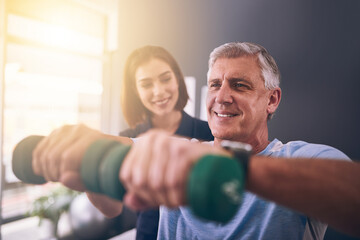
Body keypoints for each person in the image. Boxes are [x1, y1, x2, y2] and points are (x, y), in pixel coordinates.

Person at [31, 42, 360, 239]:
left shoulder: (303, 158)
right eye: (215, 84)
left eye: (239, 85)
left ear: (271, 100)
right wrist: (86, 158)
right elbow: (112, 196)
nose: (222, 97)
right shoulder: (178, 150)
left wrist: (229, 169)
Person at [118, 45, 213, 239]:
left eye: (165, 79)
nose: (159, 91)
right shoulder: (127, 140)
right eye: (146, 84)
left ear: (177, 78)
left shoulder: (210, 133)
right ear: (135, 91)